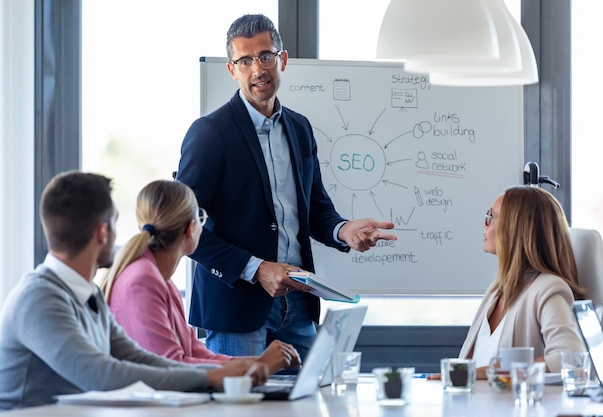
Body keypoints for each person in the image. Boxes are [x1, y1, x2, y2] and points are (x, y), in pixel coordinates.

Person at [175, 14, 397, 360]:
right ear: (232, 70)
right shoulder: (210, 134)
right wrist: (256, 268)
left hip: (298, 305)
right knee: (244, 411)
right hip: (237, 310)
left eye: (265, 56)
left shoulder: (299, 128)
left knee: (308, 406)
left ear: (283, 60)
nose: (257, 70)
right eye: (244, 61)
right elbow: (182, 227)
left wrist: (343, 230)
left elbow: (315, 209)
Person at [0, 171, 269, 413]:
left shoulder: (87, 294)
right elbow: (103, 374)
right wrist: (212, 378)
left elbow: (139, 358)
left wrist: (219, 374)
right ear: (102, 233)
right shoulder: (39, 297)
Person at [100, 180, 300, 371]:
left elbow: (196, 353)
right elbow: (171, 366)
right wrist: (259, 366)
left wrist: (259, 362)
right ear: (190, 229)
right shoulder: (143, 280)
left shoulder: (160, 279)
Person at [429, 186, 586, 381]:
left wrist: (484, 372)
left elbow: (570, 359)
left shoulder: (549, 288)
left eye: (491, 216)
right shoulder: (496, 289)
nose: (484, 224)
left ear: (515, 228)